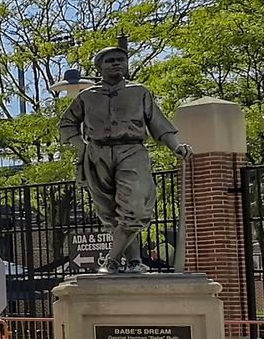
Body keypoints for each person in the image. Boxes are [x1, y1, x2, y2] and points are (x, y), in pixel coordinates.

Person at [58, 46, 190, 274]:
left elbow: (158, 124)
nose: (117, 64)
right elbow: (67, 124)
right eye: (110, 60)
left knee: (135, 209)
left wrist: (175, 146)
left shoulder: (139, 92)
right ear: (99, 66)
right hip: (97, 153)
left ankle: (111, 260)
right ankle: (134, 261)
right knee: (110, 214)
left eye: (121, 59)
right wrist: (82, 147)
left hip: (132, 151)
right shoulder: (87, 96)